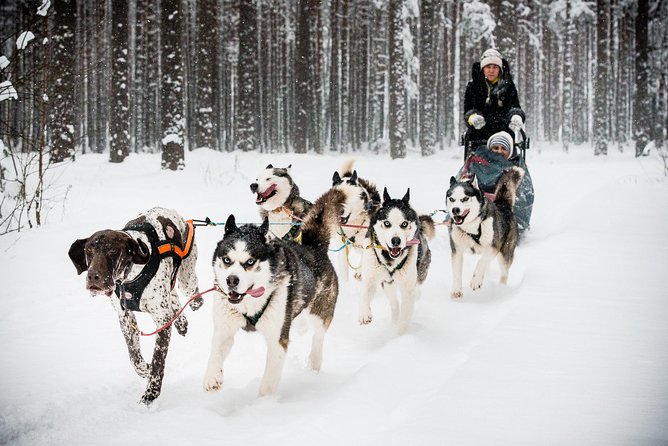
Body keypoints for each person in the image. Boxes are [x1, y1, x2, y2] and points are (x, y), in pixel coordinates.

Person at [464, 48, 525, 145]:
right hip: (479, 137)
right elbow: (468, 109)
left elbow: (514, 106)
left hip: (504, 136)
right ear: (482, 69)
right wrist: (473, 117)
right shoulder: (473, 86)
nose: (491, 70)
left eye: (495, 67)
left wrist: (516, 116)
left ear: (500, 69)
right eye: (488, 67)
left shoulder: (508, 86)